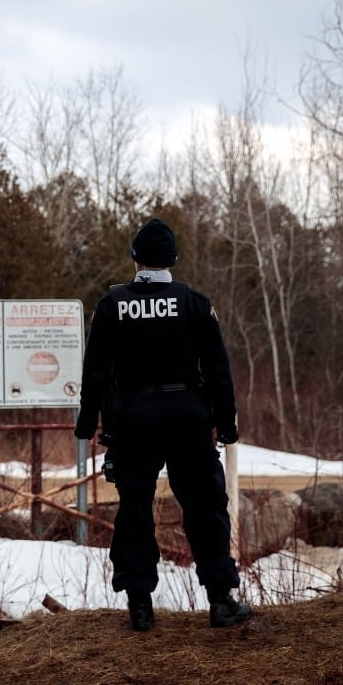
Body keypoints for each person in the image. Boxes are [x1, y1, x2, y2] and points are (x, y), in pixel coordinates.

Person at [73, 217, 251, 631]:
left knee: (135, 507)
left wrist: (87, 426)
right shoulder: (194, 303)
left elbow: (95, 373)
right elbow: (219, 370)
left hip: (133, 421)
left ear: (135, 259)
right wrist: (226, 425)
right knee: (205, 506)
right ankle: (221, 600)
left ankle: (140, 605)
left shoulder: (112, 306)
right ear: (173, 259)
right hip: (188, 418)